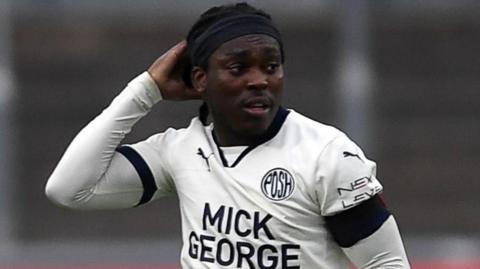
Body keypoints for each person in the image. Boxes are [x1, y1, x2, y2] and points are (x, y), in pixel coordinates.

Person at [45, 2, 410, 268]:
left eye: (271, 66)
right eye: (238, 67)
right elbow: (70, 189)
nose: (259, 80)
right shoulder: (180, 150)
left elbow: (386, 265)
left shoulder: (327, 156)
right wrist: (146, 90)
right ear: (201, 79)